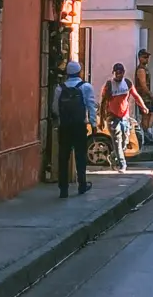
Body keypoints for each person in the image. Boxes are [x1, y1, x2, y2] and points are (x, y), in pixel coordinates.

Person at [52, 60, 96, 199]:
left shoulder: (59, 88)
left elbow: (55, 108)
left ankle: (63, 189)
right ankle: (82, 185)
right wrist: (93, 124)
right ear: (79, 72)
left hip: (65, 126)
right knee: (80, 156)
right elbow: (91, 106)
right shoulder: (85, 87)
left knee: (63, 157)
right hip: (79, 126)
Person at [100, 62, 138, 172]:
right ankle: (122, 164)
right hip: (112, 116)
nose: (118, 75)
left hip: (124, 116)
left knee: (125, 143)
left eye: (120, 73)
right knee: (117, 141)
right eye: (116, 73)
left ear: (123, 73)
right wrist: (101, 119)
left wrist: (143, 107)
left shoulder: (127, 83)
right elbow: (103, 102)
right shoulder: (109, 85)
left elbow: (135, 95)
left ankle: (112, 156)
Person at [133, 49, 153, 145]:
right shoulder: (141, 70)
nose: (146, 59)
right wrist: (149, 93)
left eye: (147, 57)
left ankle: (147, 134)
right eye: (144, 57)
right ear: (140, 58)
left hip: (144, 96)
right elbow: (143, 84)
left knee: (148, 115)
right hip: (143, 96)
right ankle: (147, 133)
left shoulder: (144, 68)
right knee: (149, 114)